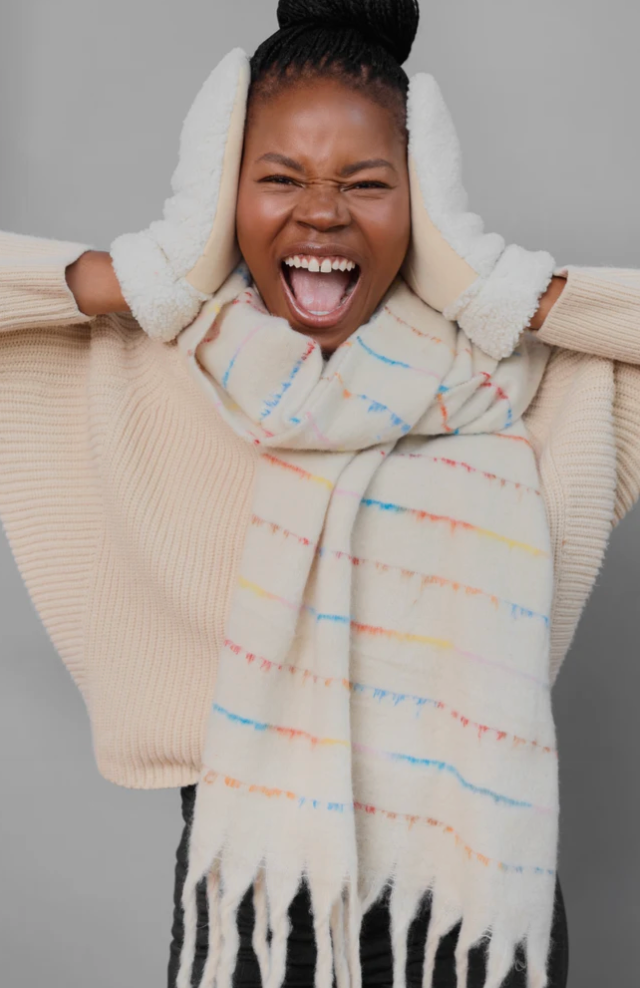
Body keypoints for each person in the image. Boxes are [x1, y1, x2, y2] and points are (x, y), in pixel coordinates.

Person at [1, 0, 638, 986]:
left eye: (368, 183)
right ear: (222, 195)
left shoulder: (527, 385)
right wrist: (148, 271)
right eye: (279, 178)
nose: (323, 213)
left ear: (424, 201)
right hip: (249, 912)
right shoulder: (149, 370)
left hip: (474, 911)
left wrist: (496, 287)